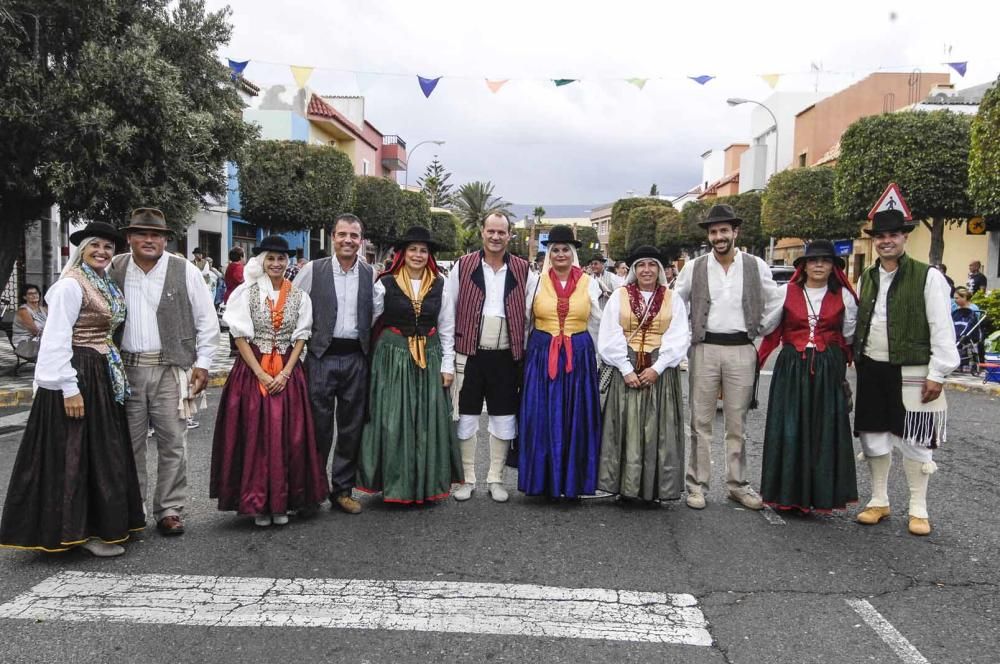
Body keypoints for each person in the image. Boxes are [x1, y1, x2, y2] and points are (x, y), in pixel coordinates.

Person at [0, 222, 145, 557]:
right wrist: (69, 388)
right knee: (78, 454)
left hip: (101, 371)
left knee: (101, 452)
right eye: (95, 245)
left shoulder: (103, 281)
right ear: (82, 249)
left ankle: (102, 524)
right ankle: (82, 530)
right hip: (78, 372)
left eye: (108, 247)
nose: (102, 252)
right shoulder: (70, 285)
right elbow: (55, 339)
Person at [109, 208, 220, 537]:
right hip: (126, 368)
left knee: (173, 441)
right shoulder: (114, 267)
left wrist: (204, 363)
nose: (149, 240)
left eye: (155, 235)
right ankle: (134, 507)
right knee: (129, 444)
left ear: (165, 239)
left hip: (171, 369)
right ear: (129, 238)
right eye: (141, 234)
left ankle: (170, 509)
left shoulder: (183, 269)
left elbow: (206, 320)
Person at [853, 209, 959, 536]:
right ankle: (879, 499)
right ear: (875, 242)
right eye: (880, 237)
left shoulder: (928, 277)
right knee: (873, 435)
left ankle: (918, 507)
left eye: (893, 235)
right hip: (871, 366)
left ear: (904, 238)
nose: (886, 241)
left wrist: (938, 372)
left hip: (912, 367)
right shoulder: (866, 277)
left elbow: (942, 327)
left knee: (914, 437)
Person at [210, 235, 326, 527]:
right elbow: (239, 336)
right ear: (261, 261)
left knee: (289, 437)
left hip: (287, 370)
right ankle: (258, 502)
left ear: (287, 262)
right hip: (253, 370)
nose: (276, 263)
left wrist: (286, 372)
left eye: (281, 258)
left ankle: (284, 501)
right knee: (255, 436)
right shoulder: (246, 293)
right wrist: (260, 373)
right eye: (271, 258)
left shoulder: (299, 296)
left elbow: (302, 336)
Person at [673, 204, 782, 511]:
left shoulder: (755, 265)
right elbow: (676, 303)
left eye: (724, 231)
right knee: (700, 421)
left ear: (736, 232)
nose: (718, 236)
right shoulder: (694, 267)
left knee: (738, 422)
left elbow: (776, 299)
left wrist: (759, 329)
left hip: (741, 349)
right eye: (713, 231)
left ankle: (737, 484)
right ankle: (697, 485)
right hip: (705, 347)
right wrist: (683, 340)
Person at [357, 226, 461, 503]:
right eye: (412, 249)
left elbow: (447, 326)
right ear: (402, 253)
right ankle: (396, 484)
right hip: (392, 355)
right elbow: (368, 322)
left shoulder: (441, 284)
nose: (417, 254)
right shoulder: (385, 283)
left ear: (429, 255)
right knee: (393, 420)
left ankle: (426, 485)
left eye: (423, 250)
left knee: (427, 421)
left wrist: (448, 365)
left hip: (430, 355)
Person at [757, 240, 859, 513]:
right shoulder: (786, 292)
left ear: (833, 267)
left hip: (827, 367)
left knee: (822, 429)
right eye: (813, 261)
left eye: (825, 261)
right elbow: (767, 325)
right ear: (803, 266)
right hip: (792, 366)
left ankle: (821, 494)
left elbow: (849, 334)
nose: (818, 265)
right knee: (789, 427)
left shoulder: (844, 297)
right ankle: (787, 494)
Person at [294, 214, 380, 515]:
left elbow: (375, 315)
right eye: (342, 234)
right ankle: (312, 491)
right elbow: (294, 308)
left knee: (351, 428)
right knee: (317, 428)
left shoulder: (370, 274)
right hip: (320, 357)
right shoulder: (312, 271)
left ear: (361, 240)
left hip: (357, 357)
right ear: (332, 236)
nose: (348, 240)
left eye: (354, 236)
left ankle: (342, 490)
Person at [447, 213, 533, 503]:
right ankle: (467, 479)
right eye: (491, 231)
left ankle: (495, 478)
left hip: (506, 356)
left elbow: (530, 314)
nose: (496, 237)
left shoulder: (523, 269)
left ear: (510, 235)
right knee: (466, 417)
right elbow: (450, 311)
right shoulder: (463, 265)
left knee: (504, 417)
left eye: (502, 232)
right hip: (470, 353)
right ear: (482, 233)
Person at [597, 246, 690, 503]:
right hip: (625, 367)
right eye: (641, 265)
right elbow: (610, 332)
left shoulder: (673, 298)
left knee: (657, 430)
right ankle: (625, 487)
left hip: (659, 371)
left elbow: (679, 335)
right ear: (633, 270)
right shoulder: (619, 296)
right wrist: (625, 368)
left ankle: (655, 489)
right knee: (625, 428)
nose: (646, 270)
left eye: (652, 265)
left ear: (659, 270)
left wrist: (657, 368)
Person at [519, 225, 603, 498]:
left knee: (575, 417)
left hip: (577, 355)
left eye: (565, 249)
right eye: (555, 249)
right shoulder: (535, 282)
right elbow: (526, 321)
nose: (560, 254)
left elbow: (597, 321)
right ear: (548, 253)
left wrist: (601, 358)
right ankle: (542, 481)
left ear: (574, 252)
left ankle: (573, 482)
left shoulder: (589, 283)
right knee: (542, 416)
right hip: (543, 354)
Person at [951, 287, 983, 372]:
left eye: (957, 298)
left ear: (964, 297)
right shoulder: (955, 309)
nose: (955, 300)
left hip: (968, 334)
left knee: (962, 338)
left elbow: (973, 325)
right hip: (957, 331)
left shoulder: (973, 310)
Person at [12, 283, 47, 359]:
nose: (34, 295)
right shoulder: (23, 311)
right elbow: (35, 331)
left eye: (36, 293)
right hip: (25, 343)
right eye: (30, 294)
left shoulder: (43, 309)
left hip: (40, 340)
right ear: (24, 297)